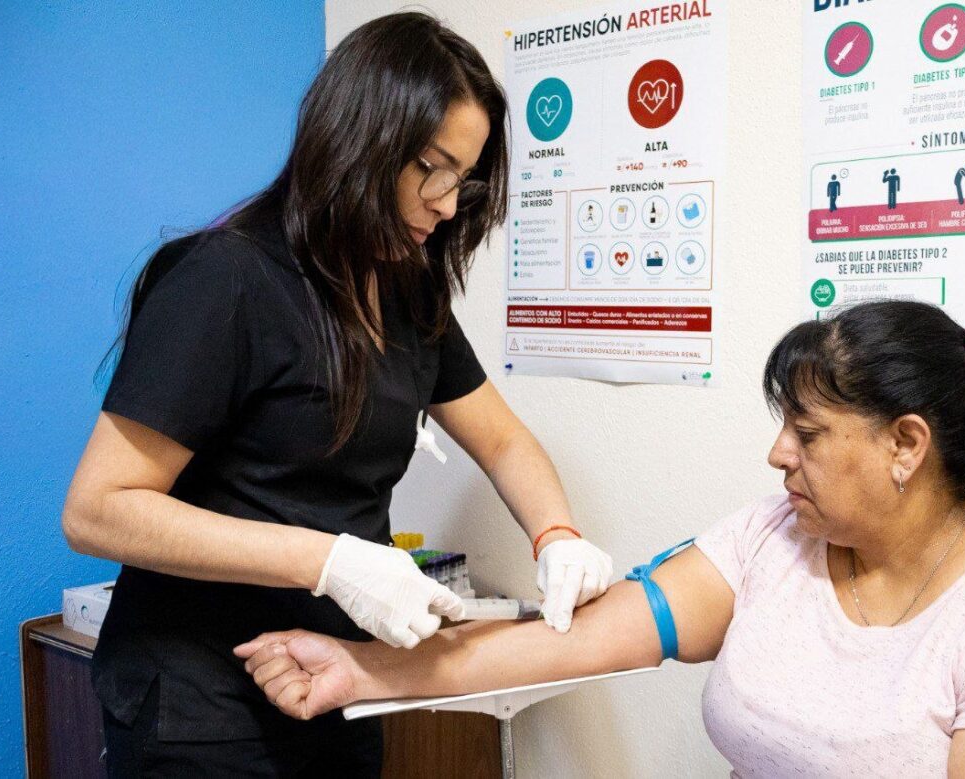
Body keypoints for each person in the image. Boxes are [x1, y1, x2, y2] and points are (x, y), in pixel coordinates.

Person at [239, 301, 965, 778]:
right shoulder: (780, 539)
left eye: (807, 432)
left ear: (906, 445)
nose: (776, 454)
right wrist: (365, 670)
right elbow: (578, 637)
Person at [61, 13, 612, 775]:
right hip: (201, 703)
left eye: (465, 177)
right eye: (433, 167)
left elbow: (505, 440)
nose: (449, 204)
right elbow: (97, 508)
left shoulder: (408, 296)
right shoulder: (227, 279)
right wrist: (329, 561)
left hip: (340, 679)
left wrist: (557, 536)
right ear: (361, 137)